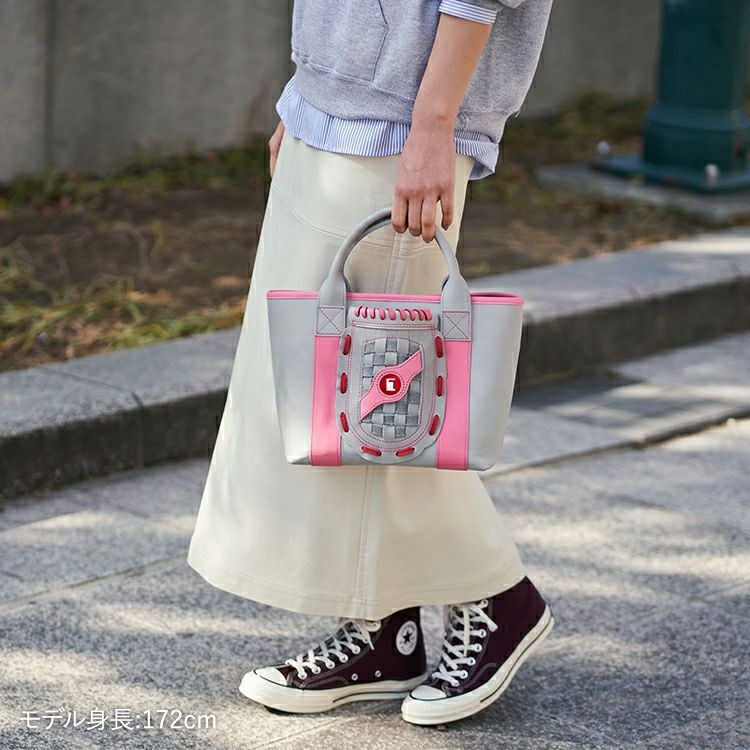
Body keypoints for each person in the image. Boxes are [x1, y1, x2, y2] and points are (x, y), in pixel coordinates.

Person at [187, 0, 554, 725]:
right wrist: (307, 94)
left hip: (404, 118)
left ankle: (497, 600)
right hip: (339, 106)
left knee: (382, 406)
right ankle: (383, 631)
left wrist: (433, 125)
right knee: (325, 401)